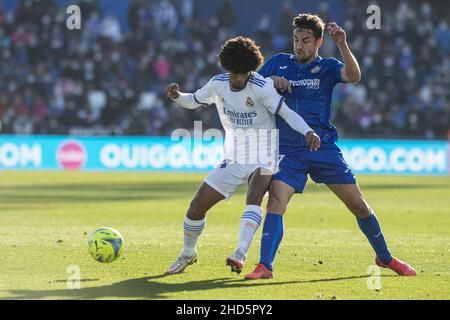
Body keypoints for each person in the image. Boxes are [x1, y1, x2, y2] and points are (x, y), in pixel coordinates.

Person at [244, 14, 416, 279]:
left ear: (319, 42)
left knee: (358, 205)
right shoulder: (279, 62)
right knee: (276, 200)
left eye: (305, 41)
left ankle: (385, 258)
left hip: (322, 147)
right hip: (288, 148)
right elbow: (248, 87)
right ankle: (265, 265)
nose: (299, 46)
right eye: (296, 40)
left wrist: (343, 44)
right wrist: (270, 81)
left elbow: (354, 75)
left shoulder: (327, 68)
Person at [164, 36, 321, 274]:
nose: (238, 79)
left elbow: (287, 114)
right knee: (196, 208)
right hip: (235, 156)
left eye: (242, 73)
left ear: (250, 69)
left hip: (264, 153)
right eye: (234, 73)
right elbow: (193, 100)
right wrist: (177, 97)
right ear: (227, 69)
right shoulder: (218, 84)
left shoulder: (261, 87)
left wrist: (308, 130)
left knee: (255, 194)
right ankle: (188, 254)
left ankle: (240, 253)